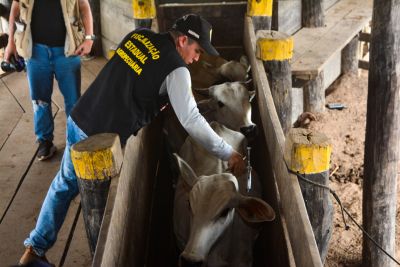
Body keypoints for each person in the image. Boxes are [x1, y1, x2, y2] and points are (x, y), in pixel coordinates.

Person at [18, 13, 246, 265]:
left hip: (80, 116)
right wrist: (229, 153)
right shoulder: (177, 70)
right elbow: (191, 119)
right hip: (100, 141)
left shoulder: (139, 35)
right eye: (197, 49)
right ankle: (100, 259)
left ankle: (35, 249)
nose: (197, 58)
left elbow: (132, 75)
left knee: (63, 185)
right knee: (100, 207)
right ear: (182, 40)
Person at [4, 0, 94, 161]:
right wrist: (10, 42)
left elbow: (83, 5)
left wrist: (89, 39)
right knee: (39, 101)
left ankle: (75, 142)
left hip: (68, 49)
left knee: (73, 101)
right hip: (35, 51)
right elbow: (15, 8)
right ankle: (45, 141)